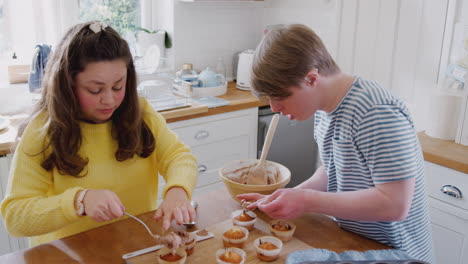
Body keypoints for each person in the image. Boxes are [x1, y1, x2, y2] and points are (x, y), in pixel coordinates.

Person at [238, 24, 433, 263]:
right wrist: (288, 196)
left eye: (279, 97)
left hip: (398, 254)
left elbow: (394, 204)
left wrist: (307, 201)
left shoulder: (376, 112)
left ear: (311, 79)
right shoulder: (324, 109)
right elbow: (334, 170)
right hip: (358, 244)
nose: (274, 108)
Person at [0, 21, 198, 247]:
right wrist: (78, 202)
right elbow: (16, 217)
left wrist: (178, 189)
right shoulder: (42, 129)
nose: (109, 100)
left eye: (118, 86)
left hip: (134, 245)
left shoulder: (141, 113)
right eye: (95, 90)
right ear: (68, 84)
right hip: (66, 255)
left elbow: (179, 157)